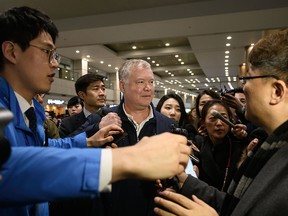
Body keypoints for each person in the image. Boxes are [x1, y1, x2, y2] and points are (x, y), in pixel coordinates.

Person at [0, 6, 191, 216]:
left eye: (151, 82)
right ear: (11, 51)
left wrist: (89, 141)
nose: (54, 63)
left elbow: (42, 149)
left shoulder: (29, 111)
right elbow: (10, 169)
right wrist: (128, 159)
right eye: (47, 52)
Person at [153, 28, 288, 216]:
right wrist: (185, 180)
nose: (243, 87)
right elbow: (236, 206)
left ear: (277, 92)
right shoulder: (268, 145)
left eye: (247, 78)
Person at [99, 59, 181, 216]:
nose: (148, 88)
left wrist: (172, 182)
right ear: (122, 86)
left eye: (151, 82)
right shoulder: (103, 120)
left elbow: (180, 173)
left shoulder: (169, 127)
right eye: (140, 82)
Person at [193, 99, 248, 191]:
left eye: (224, 118)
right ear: (203, 122)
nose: (219, 123)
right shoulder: (198, 144)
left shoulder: (238, 145)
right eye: (213, 118)